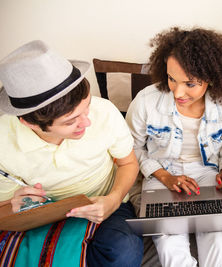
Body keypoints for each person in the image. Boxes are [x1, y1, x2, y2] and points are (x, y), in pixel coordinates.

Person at [0, 40, 143, 266]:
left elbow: (128, 164)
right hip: (45, 212)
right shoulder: (3, 142)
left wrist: (113, 200)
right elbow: (4, 211)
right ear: (30, 123)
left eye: (86, 107)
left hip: (107, 201)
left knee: (123, 252)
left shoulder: (104, 111)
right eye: (71, 121)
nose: (87, 121)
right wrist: (14, 204)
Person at [125, 27, 222, 267]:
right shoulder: (146, 101)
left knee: (216, 233)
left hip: (206, 171)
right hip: (161, 173)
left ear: (211, 78)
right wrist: (165, 177)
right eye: (172, 79)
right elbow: (131, 147)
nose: (178, 91)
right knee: (168, 240)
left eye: (190, 84)